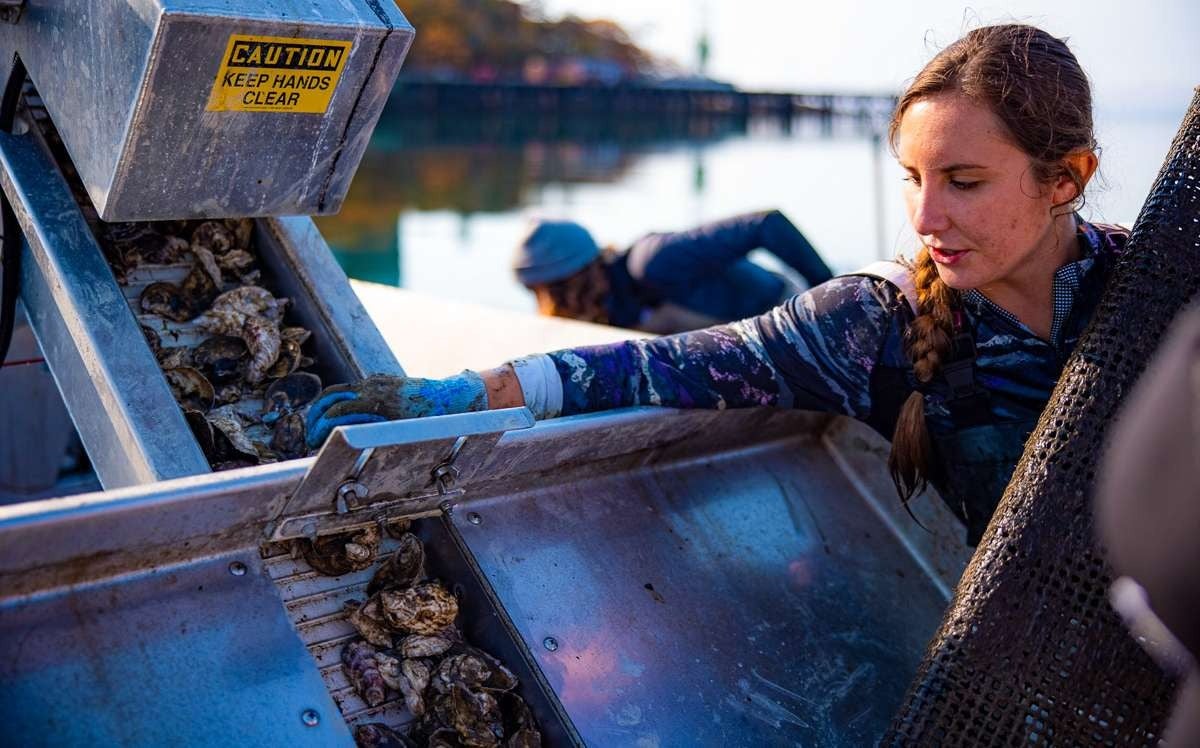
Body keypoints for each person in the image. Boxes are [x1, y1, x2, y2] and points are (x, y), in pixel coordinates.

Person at [308, 24, 1123, 546]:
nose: (925, 216)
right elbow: (656, 367)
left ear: (1065, 178)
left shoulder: (1155, 288)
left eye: (965, 181)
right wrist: (457, 393)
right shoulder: (862, 325)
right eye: (911, 176)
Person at [511, 211, 834, 333]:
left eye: (544, 294)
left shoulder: (655, 262)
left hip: (788, 311)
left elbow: (767, 224)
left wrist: (831, 297)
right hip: (741, 339)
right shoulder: (609, 309)